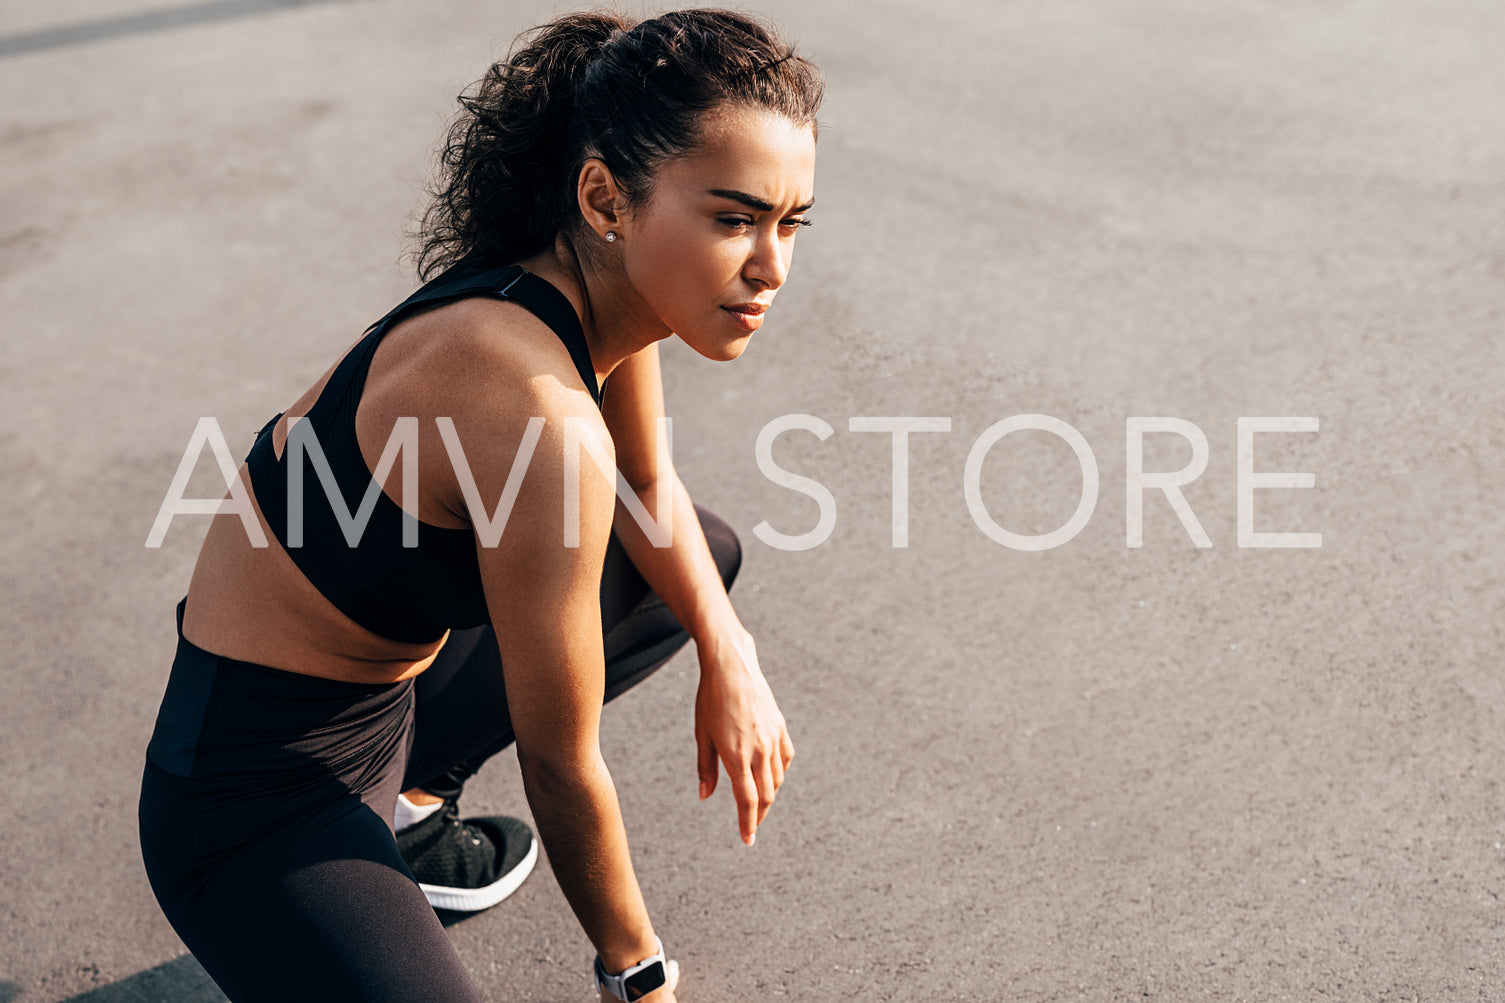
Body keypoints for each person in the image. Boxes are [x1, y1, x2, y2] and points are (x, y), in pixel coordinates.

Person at [136, 9, 823, 1002]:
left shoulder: (590, 293)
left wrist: (733, 651)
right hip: (255, 791)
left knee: (692, 558)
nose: (770, 267)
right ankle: (340, 861)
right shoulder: (533, 409)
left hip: (383, 703)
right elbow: (561, 763)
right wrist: (637, 972)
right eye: (732, 219)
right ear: (606, 196)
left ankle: (410, 806)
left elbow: (647, 487)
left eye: (788, 221)